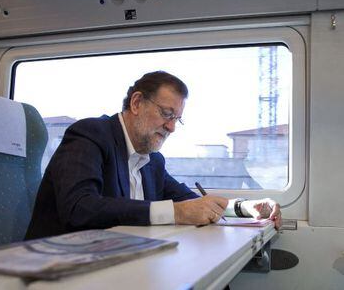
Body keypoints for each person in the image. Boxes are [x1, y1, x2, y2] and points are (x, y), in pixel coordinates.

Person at [25, 71, 281, 240]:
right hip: (60, 268)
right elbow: (80, 208)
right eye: (166, 114)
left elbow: (191, 202)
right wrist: (176, 213)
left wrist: (246, 207)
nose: (171, 127)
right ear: (136, 103)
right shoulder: (90, 135)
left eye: (176, 119)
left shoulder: (152, 161)